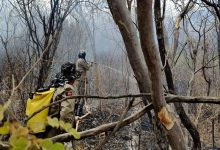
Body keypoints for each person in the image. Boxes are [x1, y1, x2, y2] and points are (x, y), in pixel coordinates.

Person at [75, 50, 90, 116]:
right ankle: (79, 112)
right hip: (81, 81)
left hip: (79, 80)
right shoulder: (81, 60)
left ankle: (76, 111)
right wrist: (90, 64)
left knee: (79, 96)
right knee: (84, 95)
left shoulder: (78, 60)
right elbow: (87, 67)